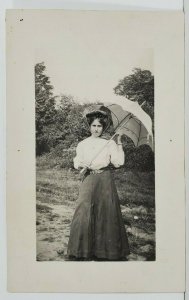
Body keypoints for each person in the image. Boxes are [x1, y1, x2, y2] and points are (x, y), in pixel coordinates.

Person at [67, 107, 130, 261]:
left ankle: (106, 252)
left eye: (99, 126)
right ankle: (81, 251)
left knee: (106, 212)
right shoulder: (83, 144)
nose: (96, 129)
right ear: (89, 126)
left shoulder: (109, 143)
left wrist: (119, 143)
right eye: (94, 125)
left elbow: (118, 162)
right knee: (83, 210)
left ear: (104, 127)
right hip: (88, 179)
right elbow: (77, 160)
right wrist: (81, 164)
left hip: (105, 179)